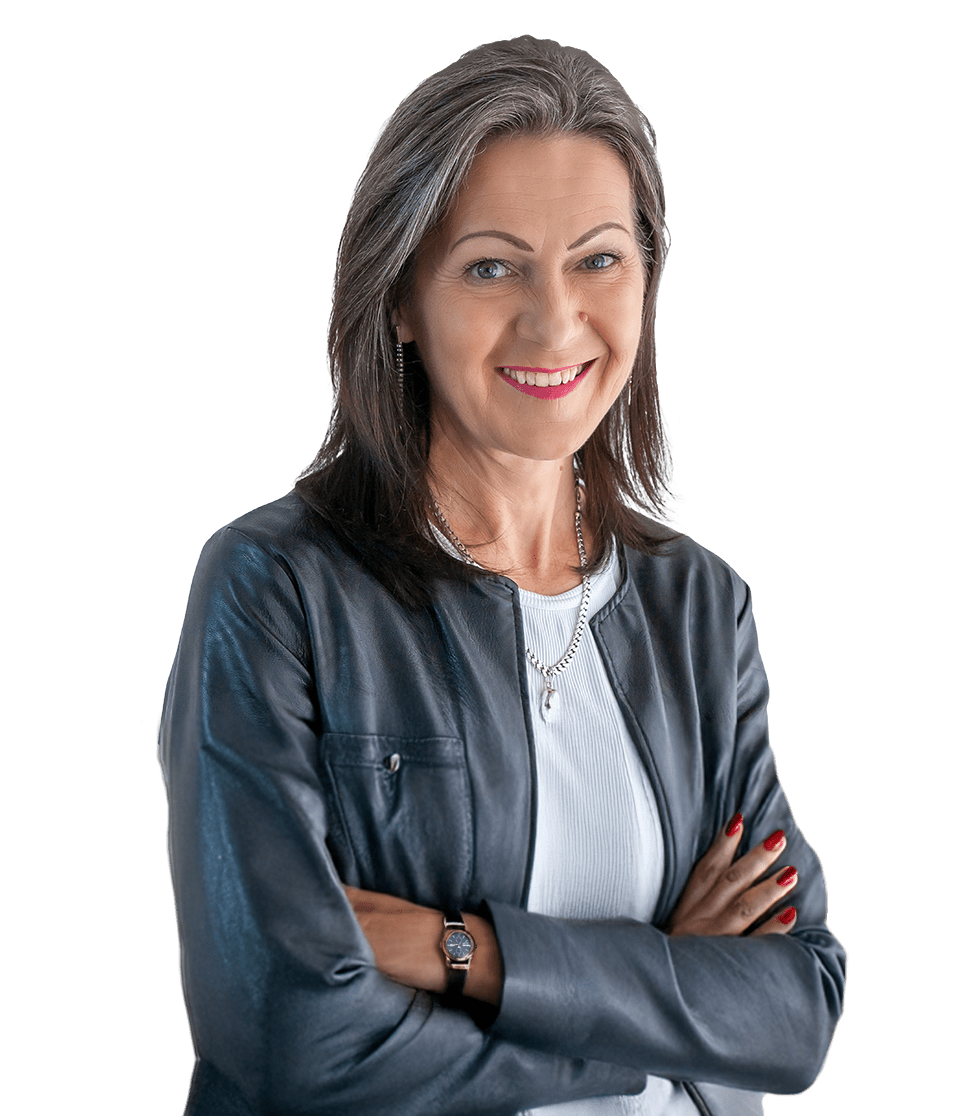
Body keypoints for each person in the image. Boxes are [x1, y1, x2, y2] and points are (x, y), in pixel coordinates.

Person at [158, 35, 847, 1116]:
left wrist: (464, 952)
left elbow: (795, 1009)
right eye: (491, 266)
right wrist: (664, 1002)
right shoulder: (277, 589)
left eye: (598, 260)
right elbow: (289, 1030)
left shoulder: (697, 607)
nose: (554, 319)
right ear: (400, 298)